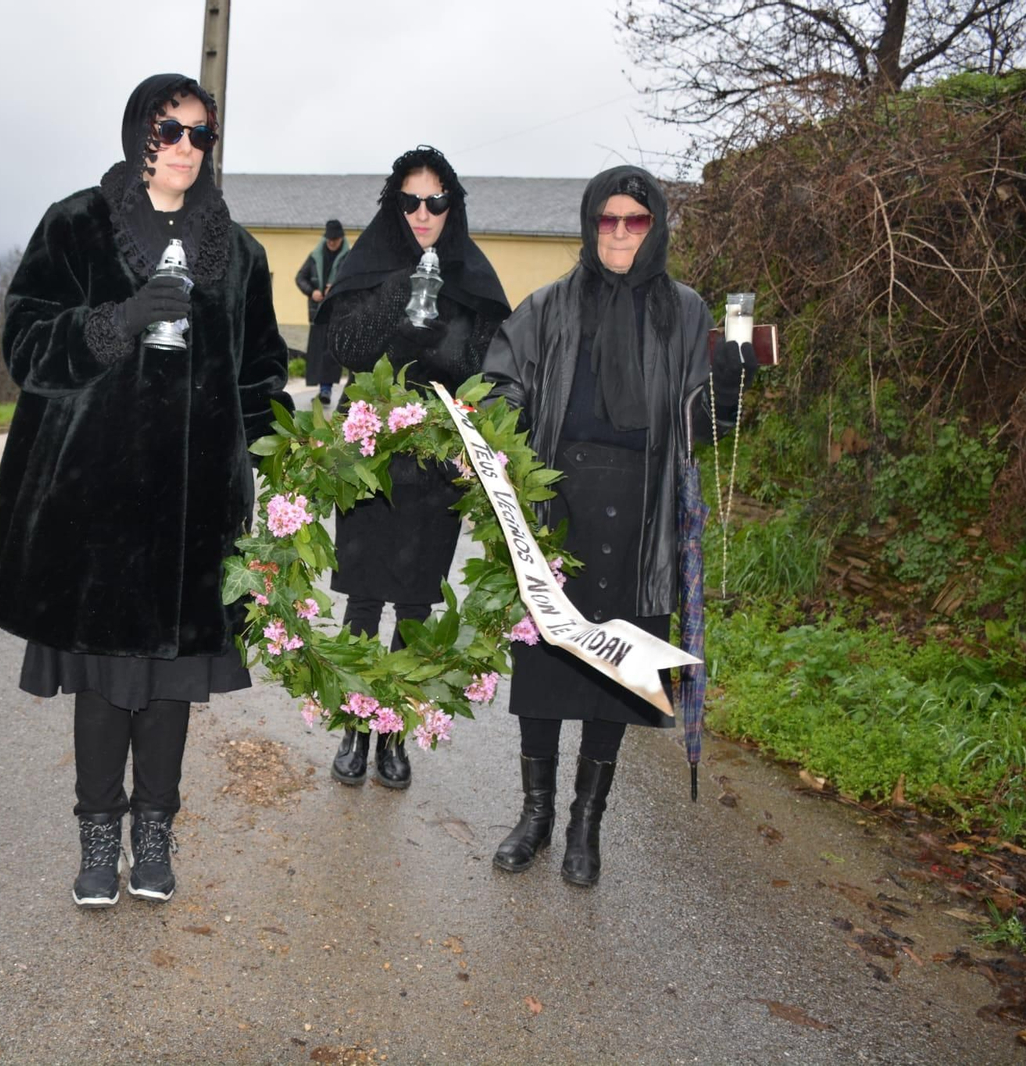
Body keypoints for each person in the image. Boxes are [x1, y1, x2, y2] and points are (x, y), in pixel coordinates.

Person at [0, 74, 290, 909]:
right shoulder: (77, 224)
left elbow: (262, 374)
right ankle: (97, 834)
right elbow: (25, 342)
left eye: (198, 135)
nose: (184, 147)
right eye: (168, 130)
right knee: (105, 683)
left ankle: (154, 834)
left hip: (193, 507)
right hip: (96, 499)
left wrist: (275, 458)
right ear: (136, 135)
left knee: (173, 684)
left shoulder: (240, 252)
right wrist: (118, 320)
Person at [481, 165, 754, 886]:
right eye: (609, 220)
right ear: (589, 224)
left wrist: (731, 379)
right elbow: (501, 384)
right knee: (543, 662)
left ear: (656, 227)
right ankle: (534, 816)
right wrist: (492, 433)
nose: (622, 233)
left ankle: (584, 824)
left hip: (643, 509)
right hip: (555, 502)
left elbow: (705, 425)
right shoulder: (548, 306)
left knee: (616, 669)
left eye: (637, 220)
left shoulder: (688, 311)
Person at [319, 146, 510, 790]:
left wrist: (443, 358)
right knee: (366, 595)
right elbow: (346, 347)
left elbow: (485, 370)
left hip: (436, 458)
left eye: (436, 201)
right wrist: (395, 295)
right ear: (392, 204)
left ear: (451, 206)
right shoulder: (367, 264)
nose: (423, 213)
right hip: (370, 456)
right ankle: (354, 726)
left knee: (417, 600)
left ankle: (394, 731)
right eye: (410, 201)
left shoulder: (470, 273)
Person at [296, 218, 350, 404]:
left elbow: (353, 283)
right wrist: (313, 292)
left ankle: (326, 390)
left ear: (342, 238)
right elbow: (300, 278)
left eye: (335, 239)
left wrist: (335, 288)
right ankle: (322, 389)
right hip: (317, 312)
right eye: (329, 238)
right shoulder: (315, 256)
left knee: (330, 353)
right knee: (317, 352)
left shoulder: (349, 257)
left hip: (336, 313)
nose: (331, 242)